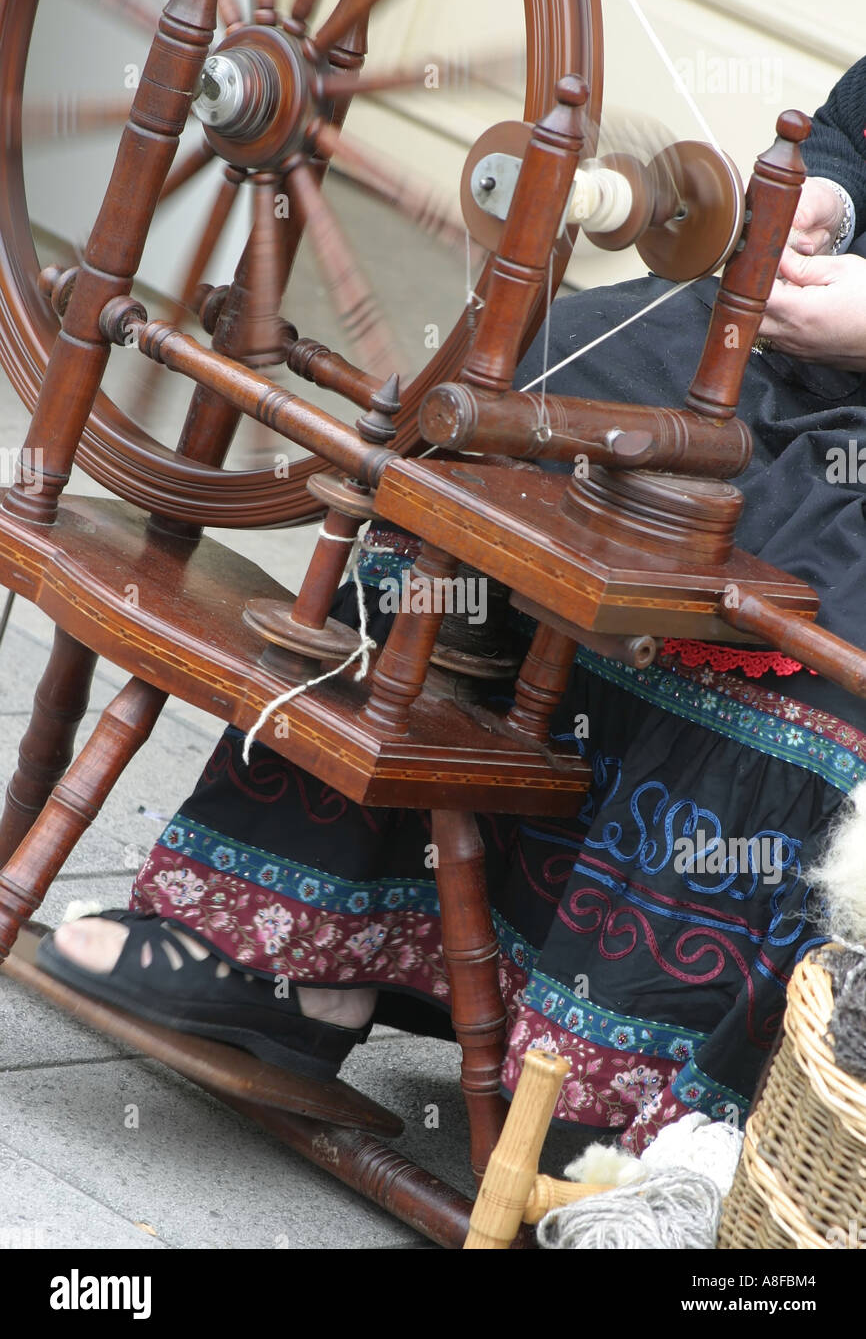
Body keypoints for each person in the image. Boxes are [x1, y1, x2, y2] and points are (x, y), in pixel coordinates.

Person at [34, 59, 866, 1153]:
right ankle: (293, 956)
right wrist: (826, 199)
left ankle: (601, 1112)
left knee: (804, 577)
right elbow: (851, 134)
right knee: (533, 390)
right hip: (806, 356)